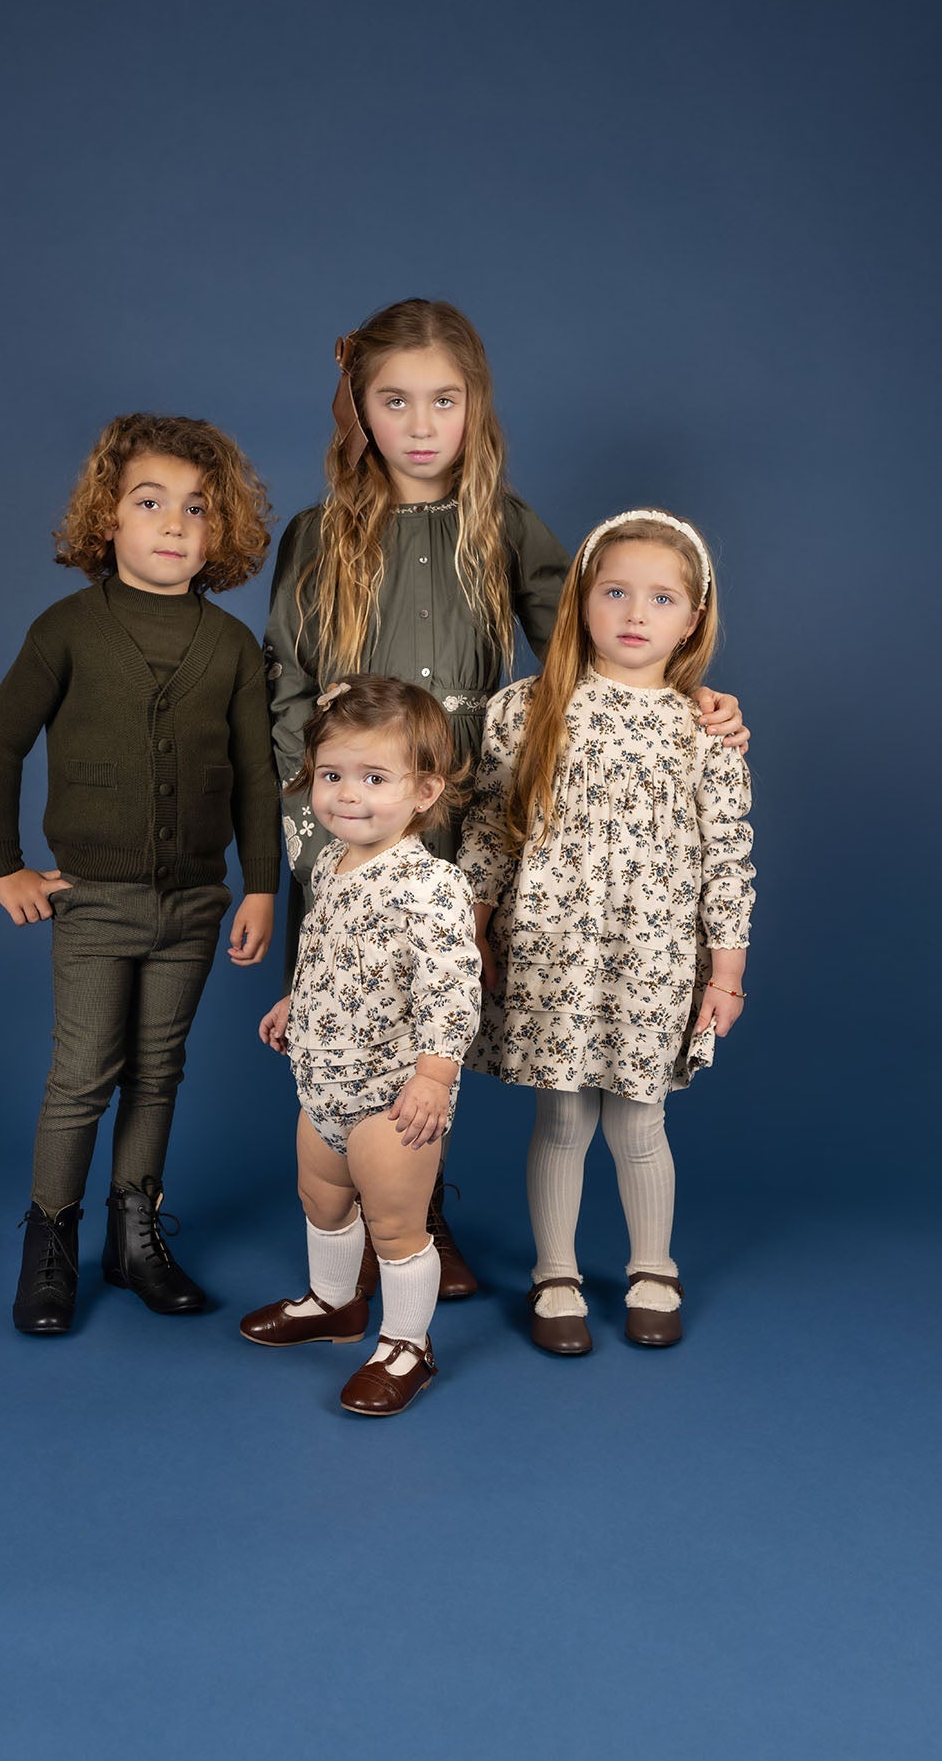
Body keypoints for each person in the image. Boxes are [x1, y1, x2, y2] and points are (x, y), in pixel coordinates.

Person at [263, 298, 747, 1298]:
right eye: (396, 401)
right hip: (346, 822)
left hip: (455, 824)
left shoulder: (504, 525)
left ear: (475, 406)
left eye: (444, 400)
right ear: (359, 408)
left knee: (431, 1021)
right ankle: (342, 1238)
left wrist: (692, 695)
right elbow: (289, 689)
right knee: (348, 1019)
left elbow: (598, 640)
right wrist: (315, 835)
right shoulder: (318, 533)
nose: (422, 424)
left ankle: (417, 1221)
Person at [0, 413, 279, 1335]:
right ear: (107, 516)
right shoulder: (66, 629)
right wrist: (3, 868)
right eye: (151, 503)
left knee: (158, 1071)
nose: (174, 524)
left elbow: (258, 775)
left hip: (195, 904)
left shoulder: (230, 645)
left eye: (197, 508)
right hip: (96, 904)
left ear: (221, 530)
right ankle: (50, 1241)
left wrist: (262, 883)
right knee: (82, 1075)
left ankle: (135, 1235)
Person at [458, 509, 754, 1353]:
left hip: (651, 955)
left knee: (638, 1120)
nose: (635, 613)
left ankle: (653, 1267)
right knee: (562, 1119)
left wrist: (726, 974)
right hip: (552, 950)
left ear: (692, 618)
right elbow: (489, 830)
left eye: (661, 598)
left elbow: (729, 857)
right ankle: (555, 1272)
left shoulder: (704, 727)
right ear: (582, 599)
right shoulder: (527, 709)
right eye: (615, 592)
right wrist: (476, 931)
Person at [242, 676, 481, 1416]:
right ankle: (334, 1302)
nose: (348, 794)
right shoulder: (329, 863)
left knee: (397, 1225)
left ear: (423, 791)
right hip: (323, 1080)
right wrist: (296, 999)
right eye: (332, 775)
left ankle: (409, 1344)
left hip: (392, 1094)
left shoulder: (431, 885)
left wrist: (434, 1077)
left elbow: (452, 987)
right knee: (321, 1197)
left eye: (374, 778)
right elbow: (327, 949)